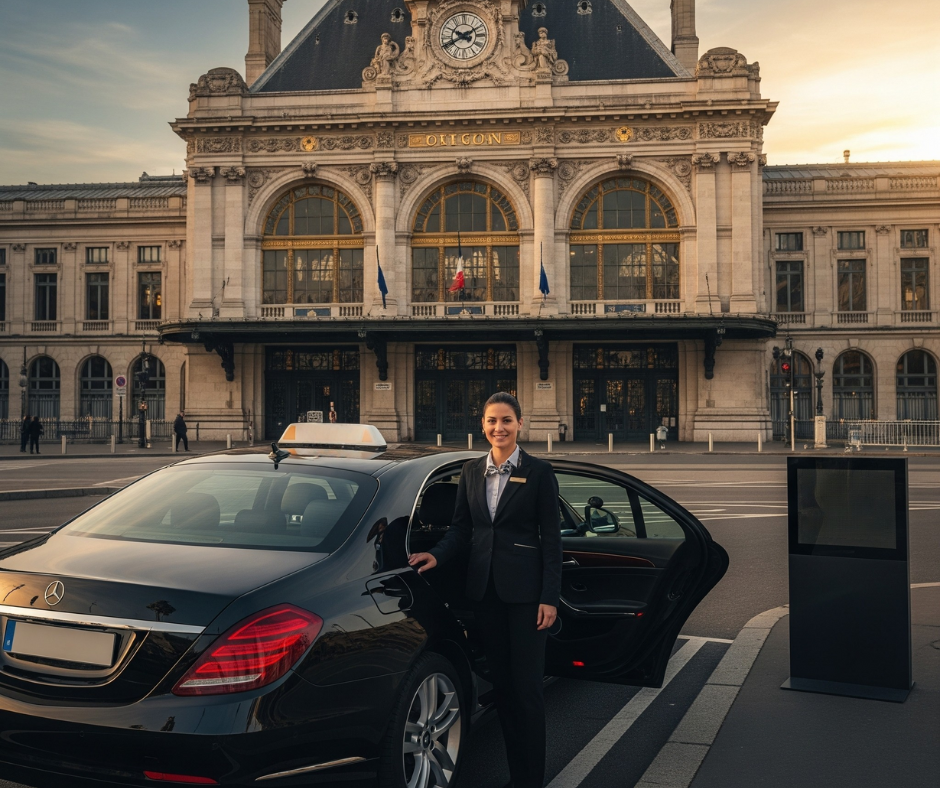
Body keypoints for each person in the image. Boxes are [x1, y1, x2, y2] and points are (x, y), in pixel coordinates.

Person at [409, 392, 562, 788]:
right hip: (486, 594)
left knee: (527, 692)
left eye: (507, 420)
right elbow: (462, 529)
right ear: (482, 425)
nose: (500, 428)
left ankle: (529, 780)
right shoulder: (472, 472)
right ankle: (516, 777)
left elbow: (551, 540)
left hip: (527, 597)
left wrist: (549, 596)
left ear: (520, 424)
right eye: (493, 421)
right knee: (505, 689)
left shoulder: (540, 472)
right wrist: (436, 556)